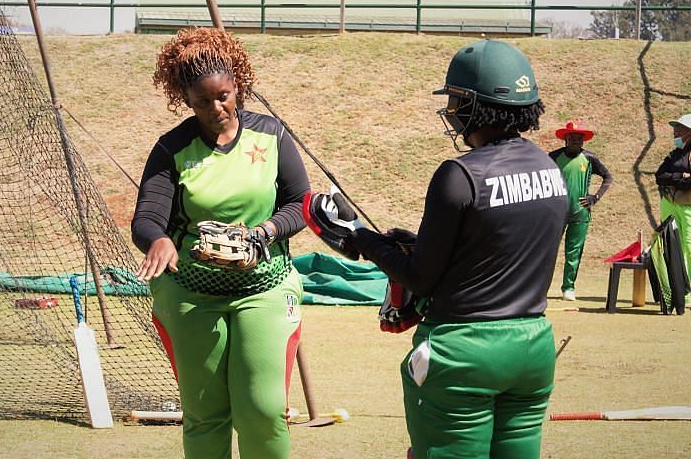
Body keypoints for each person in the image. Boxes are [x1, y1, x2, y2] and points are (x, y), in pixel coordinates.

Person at [307, 39, 568, 458]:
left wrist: (358, 235)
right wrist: (412, 243)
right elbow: (494, 247)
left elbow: (419, 278)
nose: (451, 110)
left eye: (457, 100)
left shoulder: (460, 174)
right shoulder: (550, 169)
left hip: (463, 351)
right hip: (533, 347)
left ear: (476, 105)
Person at [131, 27, 310, 459]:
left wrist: (263, 235)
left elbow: (300, 204)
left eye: (224, 96)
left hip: (265, 290)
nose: (217, 108)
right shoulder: (171, 149)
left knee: (264, 410)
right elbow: (148, 217)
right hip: (192, 295)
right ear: (186, 101)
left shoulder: (271, 136)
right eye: (202, 101)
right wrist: (158, 240)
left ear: (239, 87)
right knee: (205, 414)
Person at [549, 121, 613, 301]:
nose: (576, 140)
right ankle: (540, 288)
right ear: (565, 139)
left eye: (579, 138)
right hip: (556, 213)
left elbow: (608, 177)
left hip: (580, 212)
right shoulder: (553, 157)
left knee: (573, 252)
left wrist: (595, 197)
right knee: (548, 250)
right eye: (572, 137)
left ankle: (568, 288)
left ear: (583, 141)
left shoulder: (590, 158)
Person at [655, 113, 691, 289]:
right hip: (669, 202)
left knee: (688, 247)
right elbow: (660, 176)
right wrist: (680, 176)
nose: (675, 131)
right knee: (668, 243)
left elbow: (688, 184)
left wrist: (676, 179)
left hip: (688, 206)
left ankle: (688, 288)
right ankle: (672, 287)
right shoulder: (674, 154)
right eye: (675, 127)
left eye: (680, 128)